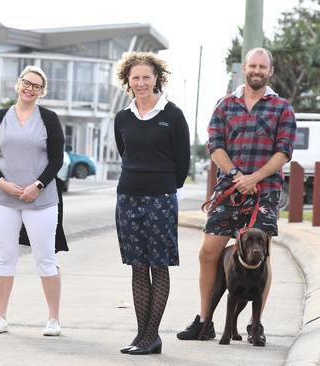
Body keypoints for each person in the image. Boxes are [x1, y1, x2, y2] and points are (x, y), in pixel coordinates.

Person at [176, 47, 296, 343]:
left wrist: (254, 178)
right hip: (229, 191)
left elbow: (284, 152)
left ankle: (256, 325)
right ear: (245, 68)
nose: (257, 71)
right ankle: (204, 322)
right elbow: (215, 146)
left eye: (262, 67)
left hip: (265, 192)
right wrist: (236, 177)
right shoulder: (224, 104)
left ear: (270, 71)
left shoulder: (282, 107)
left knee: (262, 257)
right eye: (253, 65)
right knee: (208, 253)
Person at [113, 51, 190, 355]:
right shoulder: (122, 117)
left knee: (158, 266)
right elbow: (125, 153)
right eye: (136, 78)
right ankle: (142, 335)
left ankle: (152, 335)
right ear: (128, 81)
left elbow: (182, 162)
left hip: (160, 199)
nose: (142, 82)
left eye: (147, 76)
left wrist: (166, 189)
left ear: (157, 77)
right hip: (127, 197)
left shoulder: (173, 115)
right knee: (137, 266)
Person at [0, 65, 65, 337]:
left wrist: (37, 186)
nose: (30, 88)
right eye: (26, 83)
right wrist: (2, 183)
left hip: (40, 199)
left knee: (45, 259)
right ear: (18, 85)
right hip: (3, 199)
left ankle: (53, 319)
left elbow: (56, 159)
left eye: (36, 86)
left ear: (42, 92)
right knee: (5, 257)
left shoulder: (49, 119)